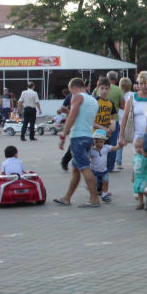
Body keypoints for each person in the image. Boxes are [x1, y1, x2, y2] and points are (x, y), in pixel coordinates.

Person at [54, 78, 100, 208]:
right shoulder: (93, 100)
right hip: (88, 135)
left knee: (84, 167)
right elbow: (81, 116)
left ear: (75, 88)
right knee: (75, 168)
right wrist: (68, 112)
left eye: (71, 92)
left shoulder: (78, 97)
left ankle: (94, 198)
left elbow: (73, 117)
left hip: (78, 137)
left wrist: (63, 136)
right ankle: (67, 197)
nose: (71, 95)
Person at [92, 71, 125, 172]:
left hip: (107, 131)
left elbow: (112, 117)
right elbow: (91, 120)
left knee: (108, 149)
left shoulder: (110, 103)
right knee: (95, 151)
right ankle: (94, 168)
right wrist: (102, 128)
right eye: (102, 88)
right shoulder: (95, 102)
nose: (104, 91)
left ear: (109, 89)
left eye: (106, 88)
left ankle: (109, 167)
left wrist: (112, 126)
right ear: (98, 88)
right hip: (96, 132)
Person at [119, 71, 147, 150]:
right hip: (137, 135)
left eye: (145, 83)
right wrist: (121, 135)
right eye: (141, 83)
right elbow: (125, 116)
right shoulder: (132, 97)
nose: (143, 86)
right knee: (138, 157)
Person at [89, 129, 121, 204]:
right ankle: (94, 193)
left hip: (104, 170)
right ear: (93, 141)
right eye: (96, 141)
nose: (98, 144)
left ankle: (104, 195)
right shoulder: (91, 150)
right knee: (94, 183)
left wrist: (119, 145)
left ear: (104, 141)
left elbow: (114, 148)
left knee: (105, 182)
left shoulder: (106, 148)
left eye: (101, 142)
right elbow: (87, 157)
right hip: (94, 170)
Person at [115, 77, 133, 170]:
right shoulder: (132, 95)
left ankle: (118, 162)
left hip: (119, 119)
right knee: (134, 139)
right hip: (129, 121)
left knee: (120, 141)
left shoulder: (118, 94)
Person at [132, 137, 147, 210]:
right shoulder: (135, 157)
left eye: (140, 147)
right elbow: (134, 167)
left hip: (145, 176)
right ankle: (141, 203)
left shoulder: (146, 156)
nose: (138, 149)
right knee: (139, 190)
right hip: (137, 177)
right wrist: (133, 176)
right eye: (136, 147)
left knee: (144, 190)